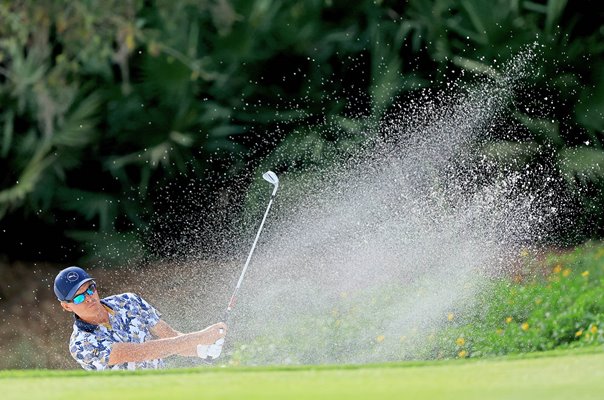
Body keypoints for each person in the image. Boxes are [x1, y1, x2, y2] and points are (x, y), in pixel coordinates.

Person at [54, 265, 226, 370]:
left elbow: (169, 336)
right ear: (66, 306)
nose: (89, 297)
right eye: (78, 297)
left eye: (90, 289)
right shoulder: (80, 344)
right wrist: (200, 337)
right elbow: (141, 352)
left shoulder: (128, 301)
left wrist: (203, 350)